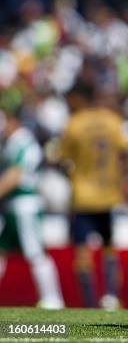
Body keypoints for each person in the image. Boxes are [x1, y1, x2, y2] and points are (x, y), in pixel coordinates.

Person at [58, 80, 128, 310]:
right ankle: (111, 297)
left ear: (79, 98)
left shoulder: (74, 123)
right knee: (110, 247)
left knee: (82, 252)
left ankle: (90, 303)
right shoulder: (112, 120)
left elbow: (63, 159)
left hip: (83, 195)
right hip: (108, 193)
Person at [0, 101, 64, 309]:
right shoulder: (11, 143)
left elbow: (15, 175)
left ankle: (52, 299)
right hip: (11, 206)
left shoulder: (23, 142)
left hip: (24, 206)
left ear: (13, 121)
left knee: (35, 252)